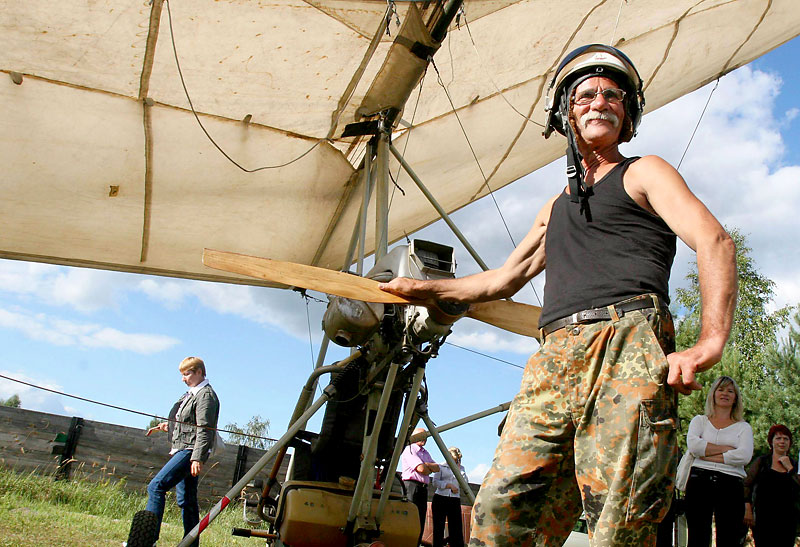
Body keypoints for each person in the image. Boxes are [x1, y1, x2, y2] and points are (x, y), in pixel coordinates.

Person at [380, 43, 737, 546]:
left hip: (626, 346)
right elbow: (501, 279)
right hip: (553, 360)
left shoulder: (644, 172)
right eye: (586, 94)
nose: (600, 102)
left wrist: (708, 343)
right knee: (501, 509)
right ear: (565, 113)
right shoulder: (555, 207)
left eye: (613, 95)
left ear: (628, 113)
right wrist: (422, 288)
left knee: (622, 514)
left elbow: (715, 242)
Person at [139, 357, 220, 546]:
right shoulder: (190, 394)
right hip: (184, 448)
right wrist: (165, 426)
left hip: (189, 451)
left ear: (199, 372)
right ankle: (191, 544)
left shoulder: (205, 395)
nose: (183, 378)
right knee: (187, 500)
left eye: (187, 374)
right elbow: (186, 422)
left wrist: (197, 458)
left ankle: (147, 539)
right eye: (182, 374)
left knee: (156, 486)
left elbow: (205, 428)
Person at [684, 376, 753, 547]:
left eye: (730, 391)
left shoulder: (743, 427)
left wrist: (706, 453)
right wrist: (727, 449)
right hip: (699, 481)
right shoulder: (699, 421)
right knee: (697, 537)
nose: (725, 394)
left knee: (729, 537)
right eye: (721, 389)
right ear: (713, 394)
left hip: (730, 484)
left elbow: (744, 456)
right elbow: (694, 447)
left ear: (736, 398)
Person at [743, 424, 800, 546]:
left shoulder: (795, 465)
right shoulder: (762, 462)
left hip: (788, 520)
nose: (782, 442)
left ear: (790, 443)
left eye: (786, 438)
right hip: (764, 519)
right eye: (778, 438)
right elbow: (746, 485)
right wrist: (747, 509)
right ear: (771, 442)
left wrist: (790, 468)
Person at [401, 427, 439, 545]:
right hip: (411, 487)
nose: (424, 439)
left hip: (423, 488)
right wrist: (427, 467)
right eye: (422, 436)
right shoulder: (409, 450)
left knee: (420, 520)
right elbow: (422, 469)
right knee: (410, 519)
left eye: (426, 436)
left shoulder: (425, 452)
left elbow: (437, 467)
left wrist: (425, 465)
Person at [431, 447, 469, 547]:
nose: (455, 461)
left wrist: (460, 469)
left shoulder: (461, 468)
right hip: (441, 498)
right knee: (439, 526)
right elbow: (435, 482)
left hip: (454, 499)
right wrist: (448, 485)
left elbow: (465, 482)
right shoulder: (441, 466)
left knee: (456, 527)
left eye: (457, 460)